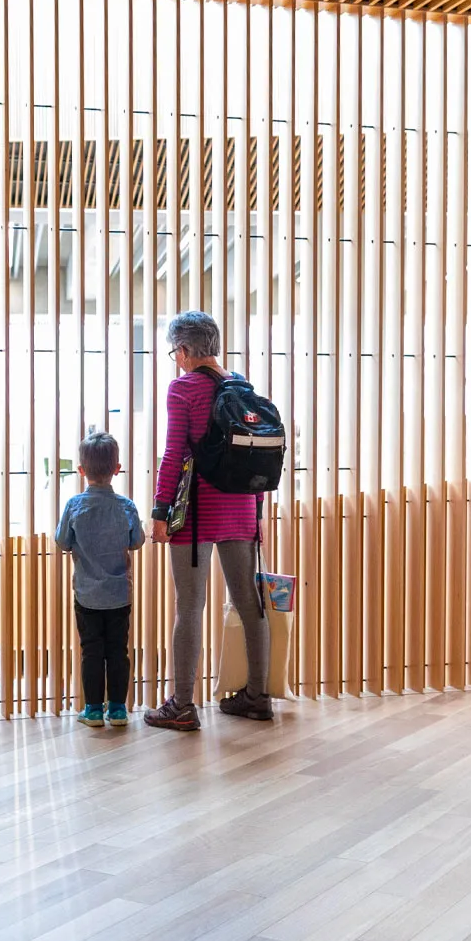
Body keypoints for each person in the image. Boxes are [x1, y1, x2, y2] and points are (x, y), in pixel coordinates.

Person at [144, 310, 273, 730]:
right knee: (248, 603)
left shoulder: (183, 390)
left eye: (174, 352)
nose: (175, 360)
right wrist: (258, 512)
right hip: (241, 509)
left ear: (183, 350)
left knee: (190, 607)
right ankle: (257, 696)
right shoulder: (243, 387)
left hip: (195, 514)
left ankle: (182, 705)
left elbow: (174, 455)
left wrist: (161, 514)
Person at [54, 431, 143, 726]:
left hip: (87, 595)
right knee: (118, 650)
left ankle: (92, 709)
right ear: (117, 468)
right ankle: (117, 709)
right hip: (119, 594)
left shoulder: (73, 506)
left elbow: (63, 542)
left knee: (91, 651)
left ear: (81, 470)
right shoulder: (127, 507)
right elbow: (137, 542)